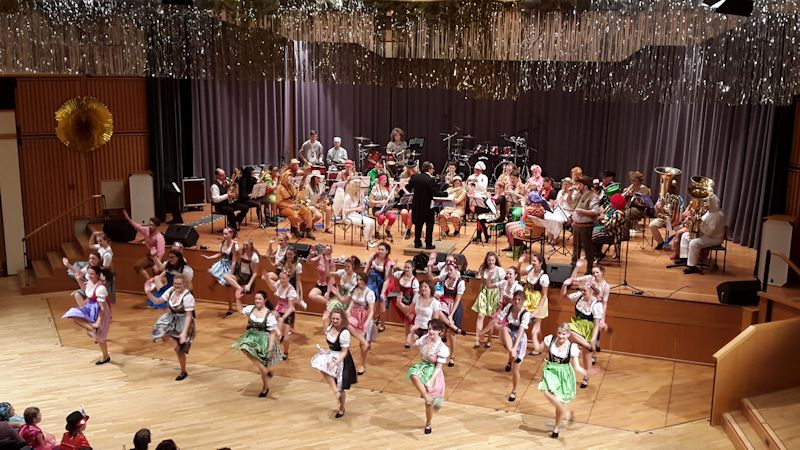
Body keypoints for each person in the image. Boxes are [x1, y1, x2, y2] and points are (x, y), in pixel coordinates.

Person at [531, 322, 587, 439]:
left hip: (564, 374)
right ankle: (566, 413)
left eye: (564, 334)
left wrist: (587, 373)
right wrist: (534, 335)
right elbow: (538, 348)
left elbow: (576, 367)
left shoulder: (572, 347)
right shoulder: (550, 339)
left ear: (568, 334)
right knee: (547, 392)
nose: (561, 336)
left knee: (559, 402)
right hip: (551, 371)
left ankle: (556, 428)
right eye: (559, 333)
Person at [233, 290, 284, 397]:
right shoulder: (251, 309)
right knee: (244, 346)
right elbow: (240, 310)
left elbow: (272, 333)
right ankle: (264, 369)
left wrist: (270, 349)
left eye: (259, 299)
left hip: (263, 340)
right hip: (251, 337)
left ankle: (265, 387)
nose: (257, 300)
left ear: (264, 300)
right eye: (256, 298)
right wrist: (237, 299)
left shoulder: (269, 315)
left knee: (263, 365)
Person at [310, 307, 357, 419]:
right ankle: (335, 390)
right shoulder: (331, 326)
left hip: (342, 359)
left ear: (342, 319)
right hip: (332, 355)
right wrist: (323, 320)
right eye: (333, 318)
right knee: (321, 366)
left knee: (341, 386)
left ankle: (342, 407)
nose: (335, 321)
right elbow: (326, 330)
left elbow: (344, 352)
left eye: (337, 319)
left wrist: (335, 363)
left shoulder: (344, 333)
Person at [62, 265, 113, 365]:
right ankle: (91, 328)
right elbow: (86, 290)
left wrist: (98, 322)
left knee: (100, 337)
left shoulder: (100, 288)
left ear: (98, 275)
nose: (89, 276)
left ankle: (105, 355)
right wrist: (78, 279)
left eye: (92, 274)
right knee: (74, 314)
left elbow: (102, 308)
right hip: (91, 306)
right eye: (89, 273)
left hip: (100, 310)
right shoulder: (90, 281)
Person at [148, 274, 195, 381]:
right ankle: (175, 345)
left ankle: (183, 371)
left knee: (180, 351)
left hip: (184, 322)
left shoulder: (188, 297)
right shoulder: (170, 290)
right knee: (160, 329)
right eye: (175, 283)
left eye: (179, 284)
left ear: (184, 284)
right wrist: (148, 292)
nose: (176, 286)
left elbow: (189, 316)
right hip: (171, 318)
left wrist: (184, 332)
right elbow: (158, 301)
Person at [406, 318, 449, 435]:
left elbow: (439, 367)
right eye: (430, 328)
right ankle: (426, 396)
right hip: (423, 367)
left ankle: (428, 423)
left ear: (440, 331)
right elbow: (412, 344)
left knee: (429, 405)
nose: (431, 331)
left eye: (434, 329)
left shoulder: (442, 348)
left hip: (433, 371)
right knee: (413, 374)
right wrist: (411, 332)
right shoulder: (425, 339)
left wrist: (430, 381)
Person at [565, 281, 603, 389]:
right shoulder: (579, 298)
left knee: (586, 356)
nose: (582, 292)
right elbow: (564, 296)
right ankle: (586, 345)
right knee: (566, 328)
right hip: (577, 325)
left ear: (591, 291)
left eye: (584, 290)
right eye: (581, 290)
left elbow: (596, 325)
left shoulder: (596, 305)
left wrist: (593, 339)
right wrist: (564, 285)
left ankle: (586, 377)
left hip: (589, 329)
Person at [498, 291, 531, 402]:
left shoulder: (525, 314)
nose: (516, 302)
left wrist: (515, 348)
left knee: (516, 368)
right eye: (515, 299)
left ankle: (514, 391)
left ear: (523, 301)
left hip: (519, 339)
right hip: (509, 334)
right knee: (503, 328)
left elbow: (521, 332)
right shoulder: (509, 307)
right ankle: (511, 355)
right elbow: (500, 319)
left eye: (519, 300)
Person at [682, 194, 726, 274]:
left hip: (714, 238)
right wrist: (693, 220)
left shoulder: (718, 215)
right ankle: (684, 258)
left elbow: (710, 231)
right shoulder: (709, 213)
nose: (705, 204)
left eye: (707, 202)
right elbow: (702, 222)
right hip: (705, 235)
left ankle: (692, 266)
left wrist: (699, 226)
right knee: (685, 235)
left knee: (693, 243)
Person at [408, 161, 447, 249]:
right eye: (432, 168)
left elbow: (409, 187)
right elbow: (435, 193)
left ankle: (417, 242)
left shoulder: (415, 177)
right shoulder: (430, 180)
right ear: (429, 169)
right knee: (429, 225)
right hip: (427, 206)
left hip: (417, 205)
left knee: (418, 224)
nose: (433, 170)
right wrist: (446, 194)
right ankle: (428, 244)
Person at [471, 252, 505, 348]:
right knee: (480, 315)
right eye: (489, 260)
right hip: (484, 293)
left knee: (491, 318)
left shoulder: (500, 270)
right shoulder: (483, 270)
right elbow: (483, 283)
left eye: (492, 260)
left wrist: (501, 298)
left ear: (495, 260)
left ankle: (489, 339)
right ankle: (477, 339)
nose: (491, 262)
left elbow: (502, 285)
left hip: (495, 294)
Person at [203, 226, 237, 315]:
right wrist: (208, 257)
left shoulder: (234, 245)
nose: (224, 235)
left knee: (228, 288)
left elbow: (234, 260)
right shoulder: (223, 242)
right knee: (211, 271)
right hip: (222, 264)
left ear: (231, 234)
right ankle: (215, 283)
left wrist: (231, 274)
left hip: (230, 266)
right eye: (223, 234)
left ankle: (231, 308)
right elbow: (220, 254)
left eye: (226, 234)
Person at [123, 210, 165, 280]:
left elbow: (161, 252)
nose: (150, 227)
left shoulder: (159, 237)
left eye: (152, 225)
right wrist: (128, 218)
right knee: (137, 266)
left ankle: (159, 285)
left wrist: (157, 264)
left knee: (155, 270)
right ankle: (149, 280)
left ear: (157, 226)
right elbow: (137, 226)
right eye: (150, 224)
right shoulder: (146, 230)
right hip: (150, 256)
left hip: (158, 258)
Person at [570, 176, 600, 273]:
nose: (577, 186)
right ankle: (573, 266)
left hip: (586, 226)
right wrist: (570, 193)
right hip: (576, 225)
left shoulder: (593, 196)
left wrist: (582, 211)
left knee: (587, 247)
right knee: (576, 246)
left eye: (579, 184)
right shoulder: (579, 194)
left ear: (585, 185)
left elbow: (595, 211)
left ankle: (589, 268)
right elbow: (570, 203)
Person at [519, 254, 549, 351]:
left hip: (538, 301)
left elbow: (544, 295)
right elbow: (518, 273)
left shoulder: (544, 277)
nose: (532, 262)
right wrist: (520, 262)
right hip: (528, 298)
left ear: (540, 263)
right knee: (522, 321)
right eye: (532, 260)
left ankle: (540, 347)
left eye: (535, 261)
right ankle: (539, 345)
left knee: (536, 328)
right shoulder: (529, 269)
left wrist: (538, 309)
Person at [347, 273, 375, 375]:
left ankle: (362, 364)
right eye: (357, 280)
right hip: (355, 316)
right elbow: (352, 303)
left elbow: (371, 311)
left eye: (361, 280)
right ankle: (363, 340)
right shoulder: (355, 290)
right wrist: (348, 311)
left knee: (362, 345)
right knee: (345, 323)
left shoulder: (369, 293)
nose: (359, 282)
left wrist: (367, 323)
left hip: (364, 317)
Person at [276, 169, 314, 239]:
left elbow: (296, 197)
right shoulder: (279, 188)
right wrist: (290, 206)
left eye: (291, 177)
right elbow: (278, 203)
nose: (291, 179)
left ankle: (308, 230)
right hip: (284, 208)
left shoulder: (292, 186)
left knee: (307, 212)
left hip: (294, 205)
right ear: (285, 178)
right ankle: (294, 229)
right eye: (289, 177)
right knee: (295, 215)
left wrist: (298, 192)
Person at [267, 271, 298, 358]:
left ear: (288, 279)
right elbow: (273, 288)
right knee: (271, 326)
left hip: (288, 313)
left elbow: (291, 307)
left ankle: (285, 352)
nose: (281, 280)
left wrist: (283, 317)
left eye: (283, 278)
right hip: (278, 309)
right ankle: (271, 348)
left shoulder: (291, 290)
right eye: (280, 278)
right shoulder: (279, 284)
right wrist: (266, 279)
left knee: (285, 337)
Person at [591, 193, 628, 263]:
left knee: (590, 236)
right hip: (608, 232)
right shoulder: (614, 211)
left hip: (612, 234)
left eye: (612, 202)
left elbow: (609, 226)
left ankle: (596, 255)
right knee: (590, 233)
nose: (610, 203)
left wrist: (603, 218)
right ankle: (597, 254)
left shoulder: (618, 213)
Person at [342, 179, 379, 248]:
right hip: (347, 217)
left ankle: (370, 240)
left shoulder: (356, 196)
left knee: (372, 221)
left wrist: (361, 206)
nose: (359, 189)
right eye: (358, 188)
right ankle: (366, 242)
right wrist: (357, 208)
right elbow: (345, 210)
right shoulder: (348, 197)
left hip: (354, 215)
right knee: (368, 223)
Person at [222, 239, 260, 304]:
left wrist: (249, 285)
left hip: (247, 278)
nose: (245, 247)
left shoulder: (254, 257)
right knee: (225, 276)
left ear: (251, 246)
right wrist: (234, 244)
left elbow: (255, 273)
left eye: (247, 245)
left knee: (248, 302)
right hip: (240, 275)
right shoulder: (242, 252)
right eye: (244, 245)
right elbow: (233, 252)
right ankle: (239, 288)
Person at [366, 242, 393, 332]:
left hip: (383, 282)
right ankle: (374, 317)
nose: (380, 251)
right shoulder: (373, 256)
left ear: (387, 251)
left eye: (382, 250)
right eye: (379, 249)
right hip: (372, 280)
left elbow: (387, 279)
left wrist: (382, 293)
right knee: (370, 301)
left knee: (382, 304)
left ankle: (382, 325)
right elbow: (367, 266)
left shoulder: (388, 262)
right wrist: (363, 277)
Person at [649, 183, 682, 250]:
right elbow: (656, 212)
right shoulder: (662, 198)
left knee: (678, 229)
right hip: (663, 219)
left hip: (674, 220)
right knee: (652, 225)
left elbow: (680, 212)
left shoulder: (679, 199)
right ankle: (660, 242)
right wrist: (659, 207)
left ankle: (677, 247)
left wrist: (676, 221)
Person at [370, 173, 397, 241]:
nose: (385, 182)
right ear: (379, 181)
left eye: (386, 180)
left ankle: (387, 230)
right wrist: (379, 202)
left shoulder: (387, 188)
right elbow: (371, 200)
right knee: (382, 217)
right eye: (383, 180)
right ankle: (377, 231)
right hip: (377, 208)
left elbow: (391, 199)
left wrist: (392, 192)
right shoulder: (375, 188)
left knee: (393, 217)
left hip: (386, 208)